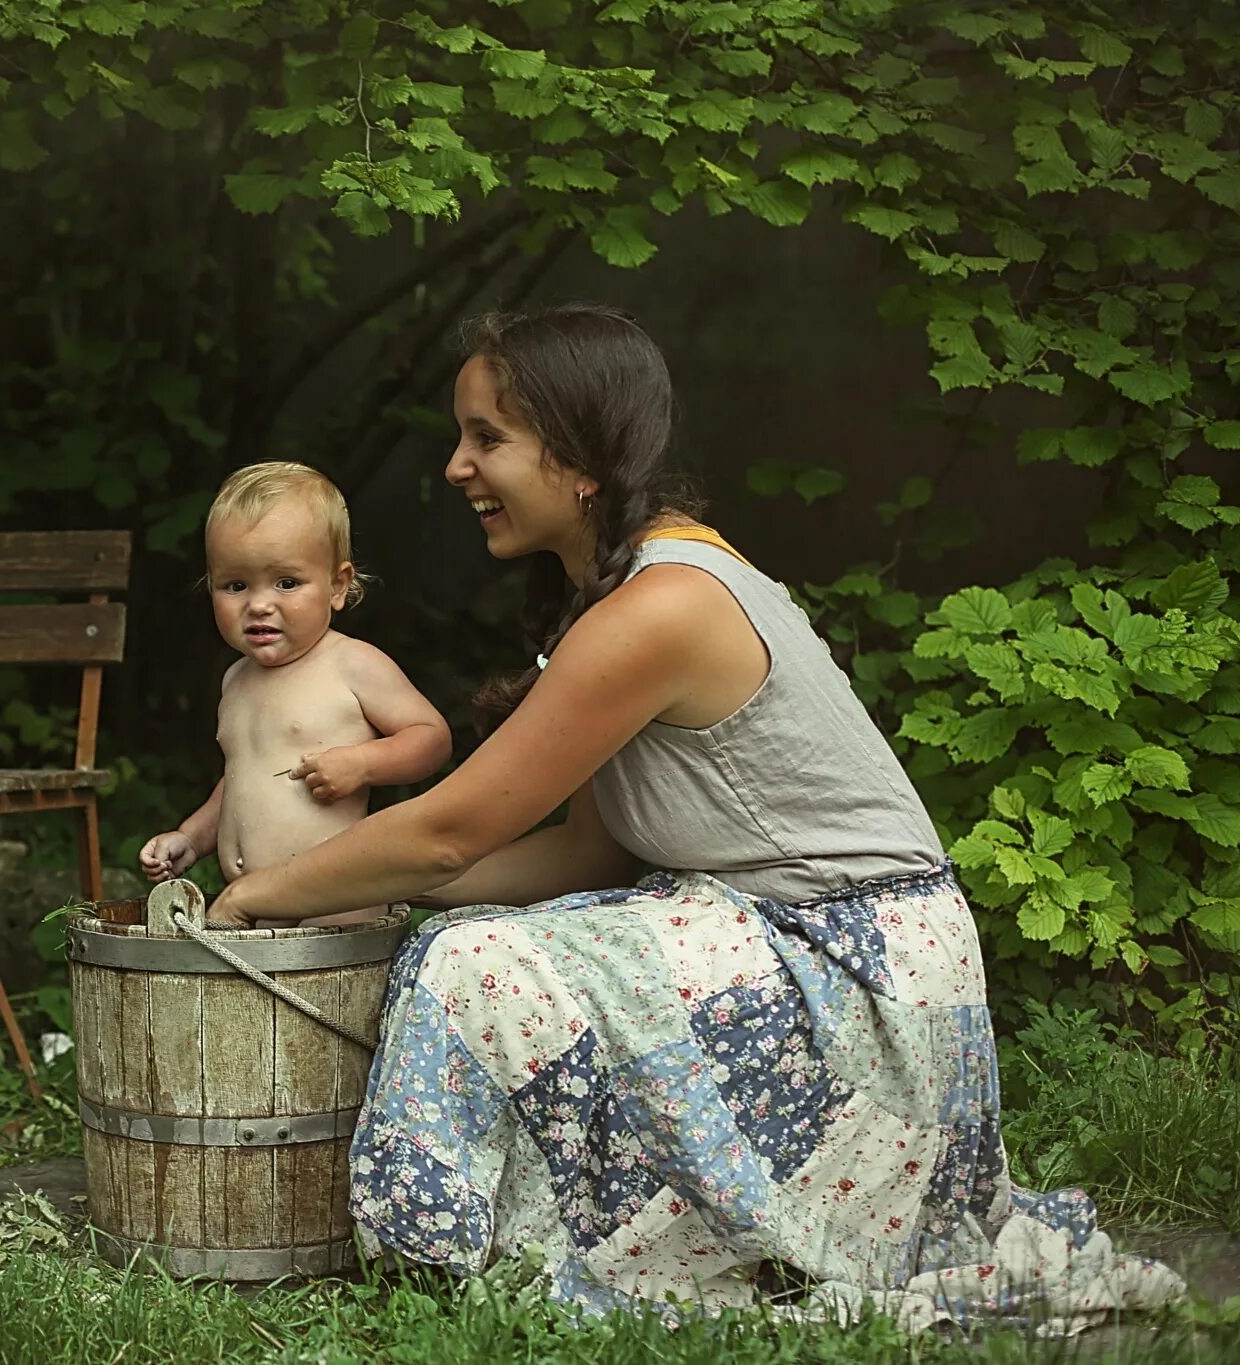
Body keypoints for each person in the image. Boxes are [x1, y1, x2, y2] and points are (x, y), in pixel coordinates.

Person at [207, 304, 1182, 1329]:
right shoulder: (622, 593)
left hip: (861, 972)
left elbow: (451, 829)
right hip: (776, 937)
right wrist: (386, 891)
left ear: (579, 458)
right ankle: (577, 1239)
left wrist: (259, 895)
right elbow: (584, 853)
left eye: (487, 437)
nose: (456, 466)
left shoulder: (660, 606)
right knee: (462, 933)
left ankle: (437, 1268)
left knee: (471, 964)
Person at [139, 461, 451, 927]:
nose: (259, 604)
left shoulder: (351, 664)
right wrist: (191, 836)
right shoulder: (236, 679)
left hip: (335, 905)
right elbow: (243, 780)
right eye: (235, 586)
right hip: (254, 909)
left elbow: (432, 738)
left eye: (286, 583)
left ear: (338, 586)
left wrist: (363, 763)